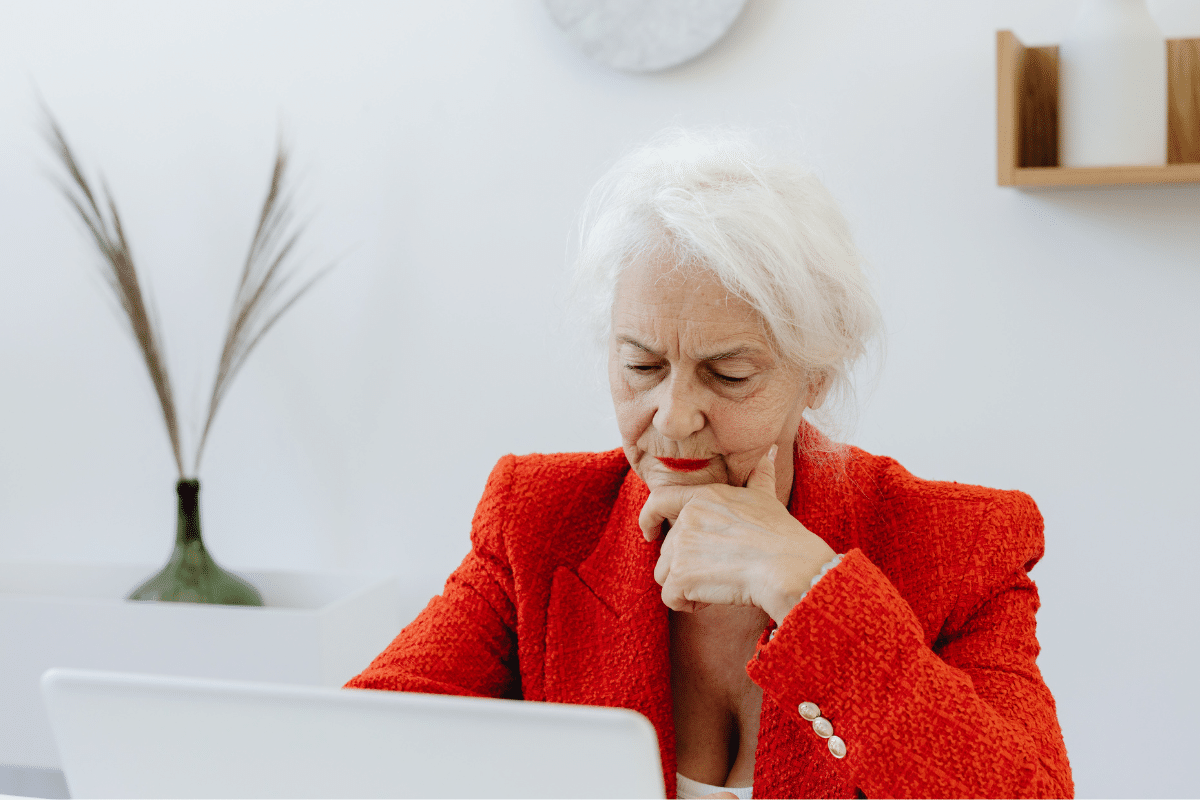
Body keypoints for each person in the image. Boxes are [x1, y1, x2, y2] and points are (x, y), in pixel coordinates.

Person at [345, 130, 1073, 799]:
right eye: (641, 364)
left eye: (728, 374)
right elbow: (348, 757)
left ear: (814, 374)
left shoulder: (959, 545)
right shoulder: (537, 521)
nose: (673, 416)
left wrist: (815, 593)